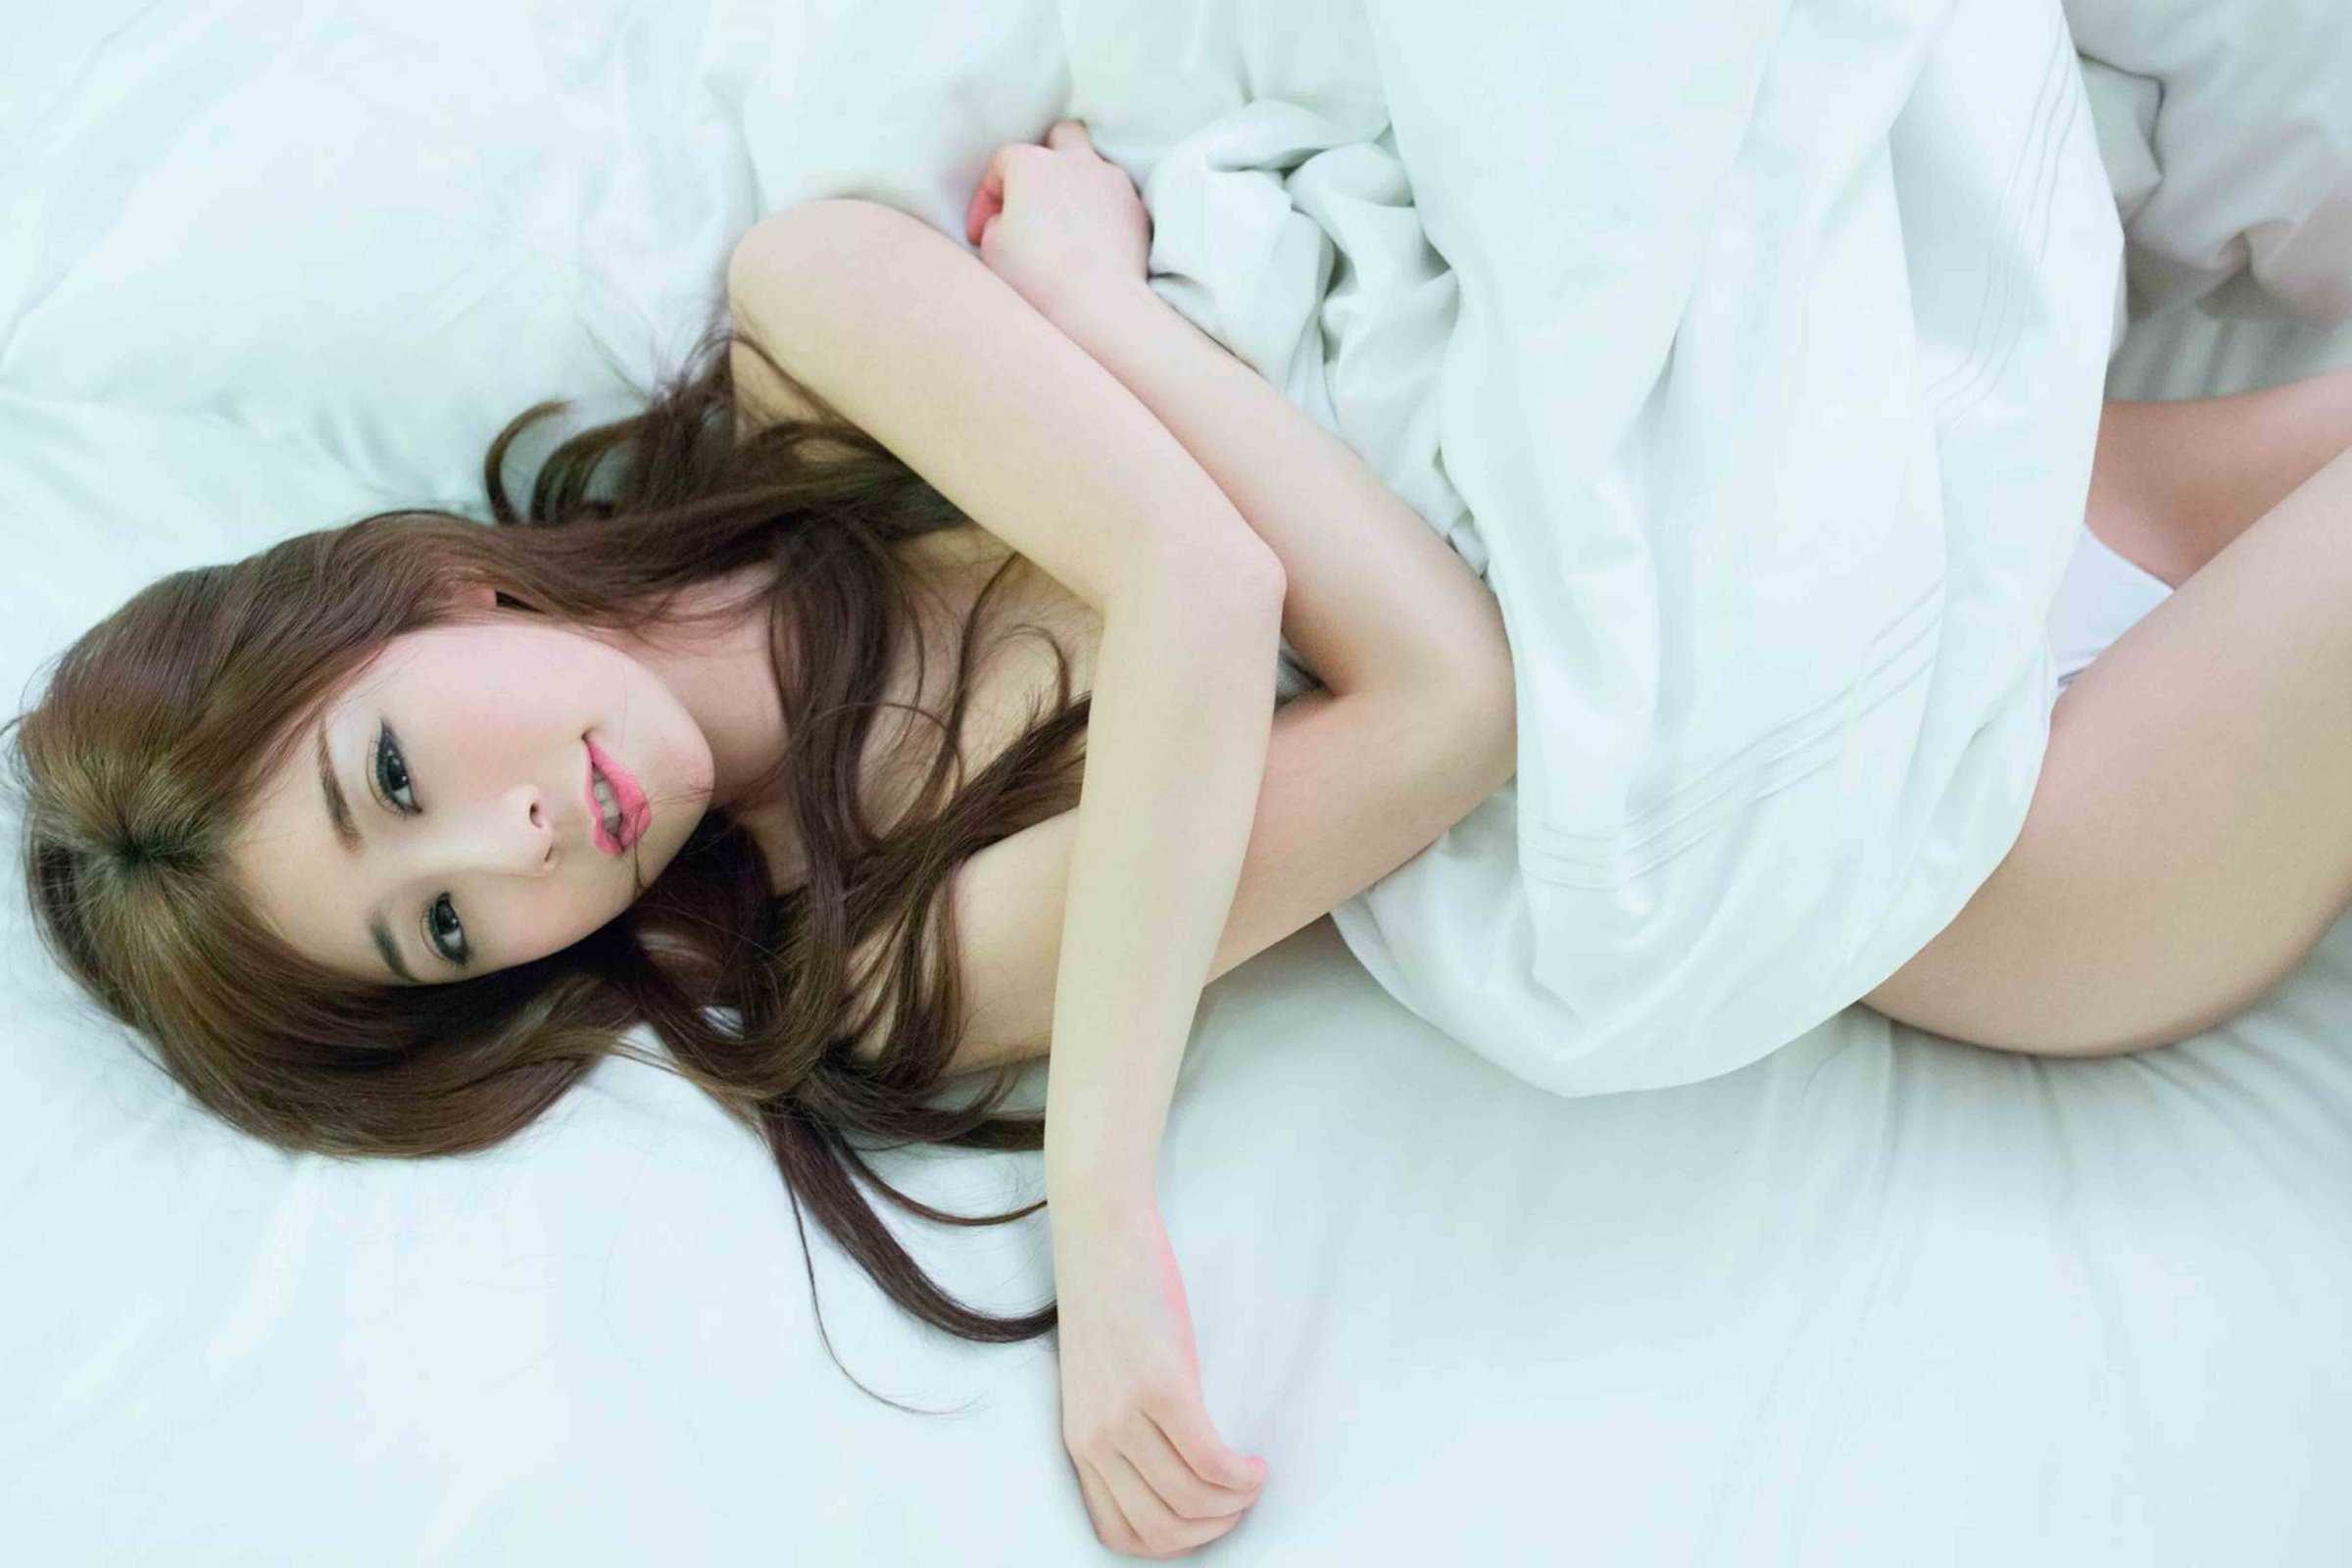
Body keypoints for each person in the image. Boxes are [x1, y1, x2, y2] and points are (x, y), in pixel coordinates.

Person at [7, 113, 2350, 1558]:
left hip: (1896, 480)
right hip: (1981, 849)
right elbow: (1441, 695)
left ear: (424, 597)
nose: (521, 837)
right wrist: (1096, 324)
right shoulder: (886, 962)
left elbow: (1210, 586)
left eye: (397, 771)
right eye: (445, 925)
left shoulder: (808, 318)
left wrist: (1075, 309)